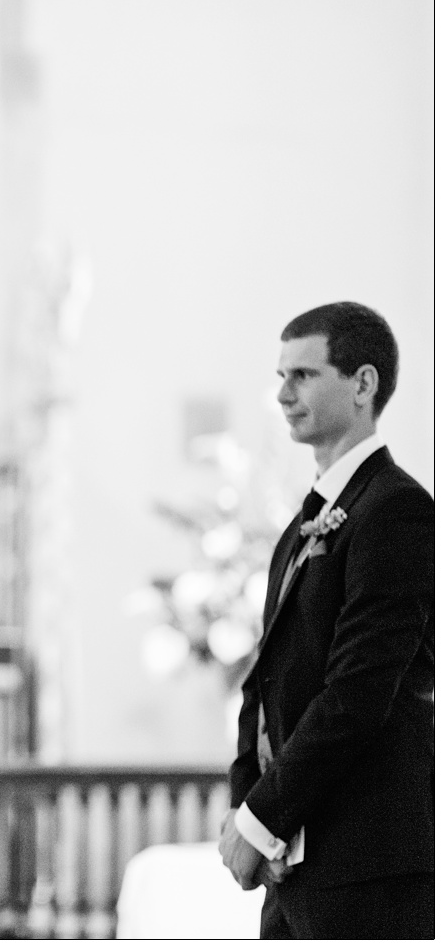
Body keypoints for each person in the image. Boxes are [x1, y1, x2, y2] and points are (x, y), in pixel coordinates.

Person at [219, 302, 433, 938]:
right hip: (297, 868)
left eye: (303, 376)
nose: (282, 394)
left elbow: (357, 695)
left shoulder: (396, 511)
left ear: (363, 384)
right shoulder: (308, 518)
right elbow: (265, 678)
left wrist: (260, 819)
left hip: (365, 865)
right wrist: (247, 804)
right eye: (281, 376)